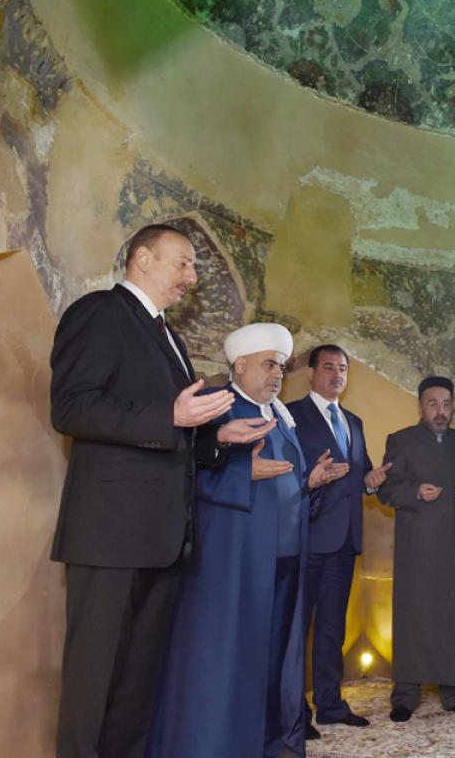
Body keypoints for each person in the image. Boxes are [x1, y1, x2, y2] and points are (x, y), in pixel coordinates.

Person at [49, 224, 275, 758]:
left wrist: (217, 436)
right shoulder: (100, 312)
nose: (192, 278)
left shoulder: (167, 335)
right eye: (184, 263)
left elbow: (171, 432)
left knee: (135, 689)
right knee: (95, 685)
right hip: (109, 535)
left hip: (162, 538)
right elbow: (71, 407)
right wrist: (170, 414)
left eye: (194, 267)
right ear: (143, 259)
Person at [148, 323, 349, 758]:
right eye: (267, 364)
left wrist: (308, 482)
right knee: (231, 662)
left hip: (283, 560)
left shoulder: (281, 417)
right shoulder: (216, 407)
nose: (277, 373)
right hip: (232, 563)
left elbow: (280, 482)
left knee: (273, 660)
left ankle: (269, 742)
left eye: (280, 365)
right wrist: (242, 471)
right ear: (239, 365)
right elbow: (186, 471)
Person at [286, 345, 391, 729]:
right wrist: (310, 480)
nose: (336, 374)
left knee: (333, 628)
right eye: (328, 367)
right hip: (307, 539)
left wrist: (370, 482)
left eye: (343, 368)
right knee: (297, 631)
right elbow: (285, 475)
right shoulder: (292, 415)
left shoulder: (354, 422)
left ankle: (330, 706)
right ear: (311, 374)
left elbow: (354, 476)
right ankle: (293, 714)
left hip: (345, 542)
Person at [377, 376, 455, 721]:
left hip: (454, 544)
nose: (440, 411)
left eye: (446, 404)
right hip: (416, 545)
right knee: (412, 614)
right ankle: (405, 693)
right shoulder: (401, 441)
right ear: (420, 406)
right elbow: (386, 491)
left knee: (451, 614)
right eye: (433, 404)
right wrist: (414, 492)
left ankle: (452, 691)